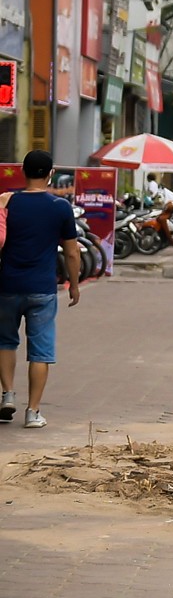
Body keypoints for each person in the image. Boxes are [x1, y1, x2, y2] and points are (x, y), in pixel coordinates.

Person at [0, 150, 84, 430]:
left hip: (7, 286)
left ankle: (8, 394)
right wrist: (73, 285)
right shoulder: (60, 207)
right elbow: (72, 252)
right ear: (50, 174)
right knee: (40, 351)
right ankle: (33, 411)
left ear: (23, 171)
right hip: (42, 290)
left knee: (5, 342)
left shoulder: (8, 202)